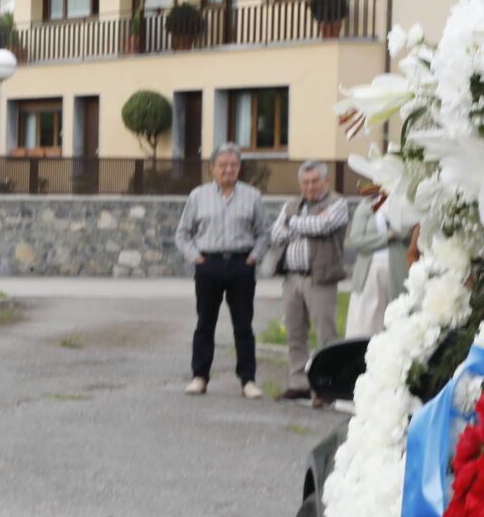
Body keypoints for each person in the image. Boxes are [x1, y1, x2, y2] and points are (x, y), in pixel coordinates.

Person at [175, 144, 270, 400]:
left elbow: (264, 232)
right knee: (205, 323)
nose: (228, 169)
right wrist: (196, 258)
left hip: (241, 265)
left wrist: (253, 258)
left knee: (243, 325)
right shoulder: (198, 196)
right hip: (209, 264)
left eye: (233, 165)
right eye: (223, 165)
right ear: (212, 168)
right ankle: (200, 377)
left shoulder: (252, 196)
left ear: (239, 167)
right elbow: (183, 234)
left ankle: (248, 381)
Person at [272, 160, 350, 403]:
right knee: (295, 334)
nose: (310, 186)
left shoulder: (338, 203)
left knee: (326, 335)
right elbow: (275, 234)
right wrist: (305, 225)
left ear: (325, 180)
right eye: (305, 182)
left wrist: (291, 223)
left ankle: (327, 387)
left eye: (315, 181)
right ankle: (299, 383)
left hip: (320, 278)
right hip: (292, 278)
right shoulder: (291, 204)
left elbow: (324, 225)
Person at [346, 184, 413, 339]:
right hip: (369, 269)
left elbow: (403, 232)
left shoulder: (405, 204)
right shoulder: (366, 205)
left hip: (397, 268)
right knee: (366, 320)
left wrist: (389, 234)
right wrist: (387, 237)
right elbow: (357, 240)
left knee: (396, 315)